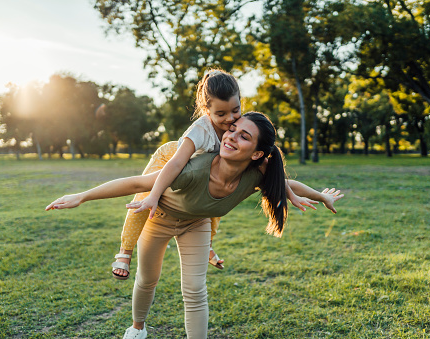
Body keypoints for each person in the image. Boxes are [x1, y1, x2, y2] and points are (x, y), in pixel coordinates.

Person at [46, 112, 344, 339]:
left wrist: (320, 196)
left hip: (195, 224)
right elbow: (138, 182)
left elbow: (287, 183)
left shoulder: (255, 177)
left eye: (243, 136)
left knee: (195, 289)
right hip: (157, 220)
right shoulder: (193, 168)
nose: (230, 137)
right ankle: (137, 329)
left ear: (256, 154)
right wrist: (82, 196)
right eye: (232, 130)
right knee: (147, 280)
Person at [112, 69, 305, 279]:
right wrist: (154, 195)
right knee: (142, 197)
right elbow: (176, 162)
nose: (230, 119)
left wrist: (294, 196)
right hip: (172, 158)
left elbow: (272, 172)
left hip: (206, 171)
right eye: (221, 114)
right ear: (207, 110)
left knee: (214, 206)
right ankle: (125, 251)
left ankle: (208, 246)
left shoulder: (239, 127)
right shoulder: (200, 130)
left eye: (235, 110)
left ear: (240, 102)